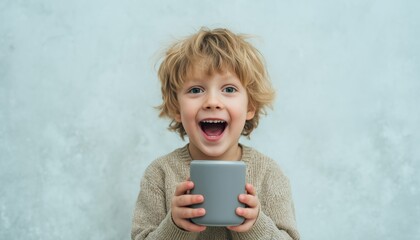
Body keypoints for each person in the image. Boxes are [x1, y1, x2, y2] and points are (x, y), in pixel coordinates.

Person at [131, 27, 300, 240]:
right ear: (176, 108)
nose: (212, 102)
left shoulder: (269, 175)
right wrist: (175, 226)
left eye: (229, 89)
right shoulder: (159, 174)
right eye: (195, 90)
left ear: (250, 106)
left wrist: (255, 225)